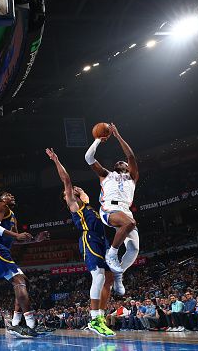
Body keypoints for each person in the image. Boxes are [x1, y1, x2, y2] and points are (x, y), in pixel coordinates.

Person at [46, 148, 115, 337]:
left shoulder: (87, 205)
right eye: (73, 190)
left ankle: (101, 317)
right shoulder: (73, 204)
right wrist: (56, 160)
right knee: (99, 276)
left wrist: (83, 192)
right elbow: (67, 181)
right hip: (89, 238)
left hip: (102, 240)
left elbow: (86, 196)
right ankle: (94, 319)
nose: (76, 188)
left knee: (109, 280)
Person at [0, 191, 49, 338]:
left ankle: (16, 324)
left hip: (2, 249)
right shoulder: (0, 206)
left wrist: (35, 240)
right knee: (19, 280)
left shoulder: (13, 216)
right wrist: (17, 235)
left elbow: (16, 240)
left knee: (24, 282)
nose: (12, 196)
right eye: (8, 194)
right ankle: (31, 325)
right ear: (1, 198)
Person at [84, 123, 139, 295]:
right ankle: (112, 253)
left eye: (122, 162)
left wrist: (117, 135)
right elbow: (88, 158)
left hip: (125, 211)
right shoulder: (106, 175)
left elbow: (130, 155)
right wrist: (97, 141)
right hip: (109, 209)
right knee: (130, 223)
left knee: (134, 249)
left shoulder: (132, 176)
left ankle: (118, 275)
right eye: (118, 162)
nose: (120, 161)